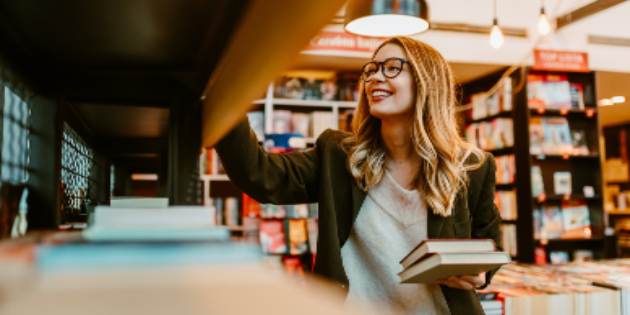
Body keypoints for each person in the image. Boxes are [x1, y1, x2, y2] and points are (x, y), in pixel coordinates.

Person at [215, 36, 502, 315]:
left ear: (427, 81)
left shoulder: (473, 166)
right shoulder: (338, 156)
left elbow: (488, 249)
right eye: (372, 69)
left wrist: (480, 273)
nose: (375, 77)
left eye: (392, 68)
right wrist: (226, 90)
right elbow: (258, 174)